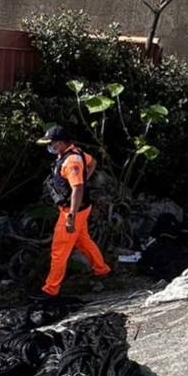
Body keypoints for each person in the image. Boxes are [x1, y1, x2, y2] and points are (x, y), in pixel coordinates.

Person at [38, 125, 112, 299]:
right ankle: (102, 270)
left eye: (53, 144)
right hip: (82, 209)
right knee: (83, 241)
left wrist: (71, 214)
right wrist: (84, 177)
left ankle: (50, 290)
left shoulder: (71, 161)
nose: (51, 147)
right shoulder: (74, 154)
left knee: (59, 250)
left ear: (62, 143)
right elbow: (92, 162)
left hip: (72, 212)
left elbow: (77, 188)